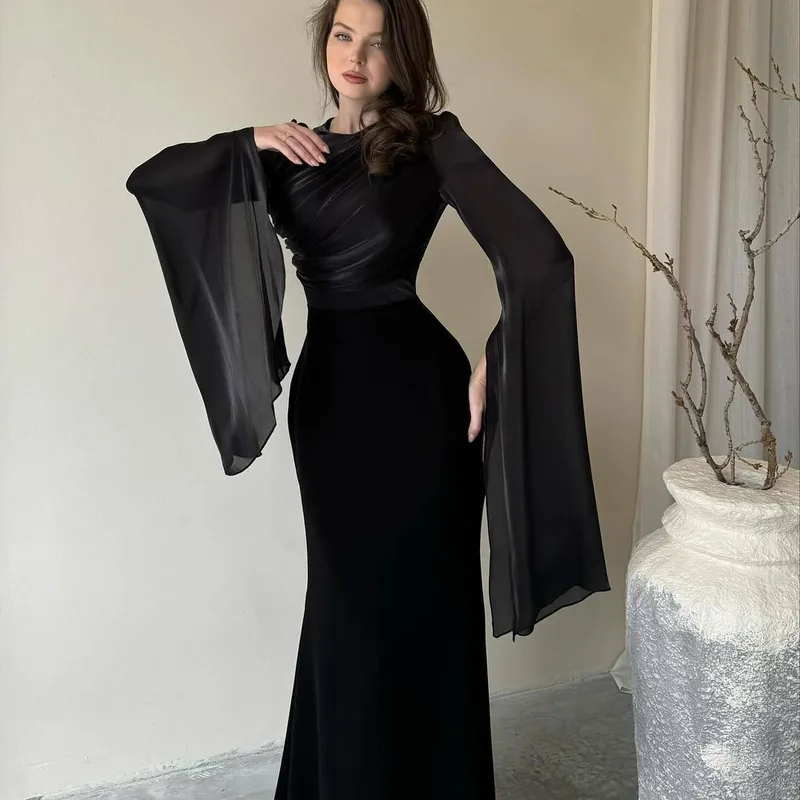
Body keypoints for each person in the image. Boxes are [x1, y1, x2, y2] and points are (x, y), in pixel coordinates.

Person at [126, 0, 611, 797]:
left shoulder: (432, 142)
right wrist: (247, 141)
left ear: (403, 57)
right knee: (345, 609)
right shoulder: (286, 152)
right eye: (344, 35)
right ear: (325, 43)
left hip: (424, 403)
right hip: (332, 406)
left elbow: (544, 260)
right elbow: (155, 180)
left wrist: (496, 356)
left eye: (378, 43)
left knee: (425, 606)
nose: (356, 55)